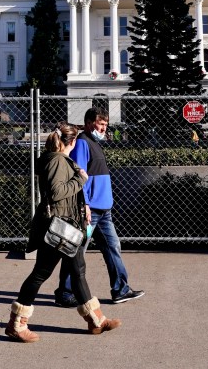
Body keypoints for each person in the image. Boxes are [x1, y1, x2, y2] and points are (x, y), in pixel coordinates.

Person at [5, 121, 121, 343]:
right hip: (58, 227)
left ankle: (96, 321)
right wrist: (80, 179)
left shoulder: (58, 159)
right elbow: (58, 192)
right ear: (73, 141)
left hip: (66, 225)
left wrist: (83, 205)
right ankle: (16, 324)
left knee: (78, 271)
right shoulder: (57, 161)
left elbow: (64, 194)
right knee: (41, 273)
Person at [54, 107, 145, 307]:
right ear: (88, 123)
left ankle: (120, 290)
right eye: (100, 124)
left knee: (113, 247)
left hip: (104, 211)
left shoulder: (95, 143)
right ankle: (65, 292)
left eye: (105, 124)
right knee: (75, 251)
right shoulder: (83, 144)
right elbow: (79, 177)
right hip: (90, 211)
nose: (104, 128)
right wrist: (84, 204)